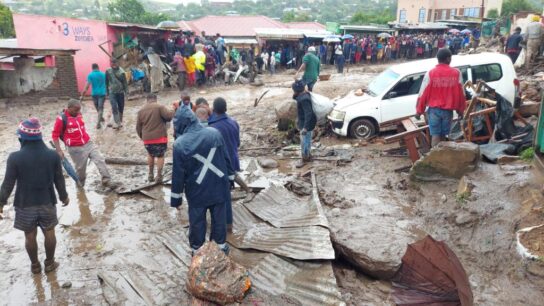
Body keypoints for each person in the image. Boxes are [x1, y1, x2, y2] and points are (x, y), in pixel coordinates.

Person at [0, 118, 69, 274]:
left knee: (30, 236)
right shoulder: (53, 156)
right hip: (47, 202)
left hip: (25, 204)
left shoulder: (14, 158)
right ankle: (50, 263)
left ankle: (35, 266)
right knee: (49, 233)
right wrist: (64, 197)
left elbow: (7, 184)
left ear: (22, 138)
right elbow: (59, 180)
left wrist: (1, 203)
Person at [170, 106, 234, 255]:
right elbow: (226, 159)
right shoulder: (214, 133)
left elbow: (178, 175)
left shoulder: (179, 144)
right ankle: (220, 252)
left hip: (197, 191)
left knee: (197, 223)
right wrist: (230, 179)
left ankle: (198, 253)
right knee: (219, 221)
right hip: (219, 186)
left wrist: (176, 200)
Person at [52, 99, 114, 187]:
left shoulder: (79, 114)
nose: (78, 112)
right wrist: (59, 150)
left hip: (88, 143)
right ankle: (80, 188)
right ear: (68, 108)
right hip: (75, 148)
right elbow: (55, 135)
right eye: (75, 110)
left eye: (79, 110)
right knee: (81, 170)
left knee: (100, 159)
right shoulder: (61, 119)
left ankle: (106, 179)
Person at [416, 48, 466, 147]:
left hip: (434, 111)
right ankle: (442, 158)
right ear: (448, 59)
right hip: (448, 111)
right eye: (450, 58)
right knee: (443, 136)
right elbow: (461, 94)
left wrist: (419, 111)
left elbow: (423, 94)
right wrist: (460, 111)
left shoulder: (430, 73)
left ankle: (434, 158)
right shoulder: (456, 73)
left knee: (435, 135)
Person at [208, 98, 240, 228]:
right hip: (232, 162)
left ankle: (223, 224)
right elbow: (237, 143)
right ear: (226, 109)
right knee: (227, 194)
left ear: (213, 110)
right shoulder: (234, 123)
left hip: (219, 166)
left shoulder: (211, 128)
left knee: (219, 196)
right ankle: (228, 223)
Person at [136, 93, 175, 182]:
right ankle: (159, 176)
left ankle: (150, 174)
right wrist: (173, 110)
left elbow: (138, 127)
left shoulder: (141, 110)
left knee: (150, 154)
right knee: (160, 156)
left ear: (147, 100)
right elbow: (168, 117)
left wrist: (142, 137)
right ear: (155, 99)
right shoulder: (159, 107)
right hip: (160, 137)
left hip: (147, 139)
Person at [292, 80, 316, 168]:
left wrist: (305, 128)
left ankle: (304, 159)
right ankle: (308, 156)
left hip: (306, 124)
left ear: (296, 90)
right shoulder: (305, 95)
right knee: (307, 140)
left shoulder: (304, 99)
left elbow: (308, 113)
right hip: (308, 122)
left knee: (304, 141)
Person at [80, 63, 106, 129]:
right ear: (98, 67)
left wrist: (82, 95)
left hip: (94, 94)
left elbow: (87, 86)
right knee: (100, 108)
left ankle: (99, 121)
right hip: (102, 94)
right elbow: (107, 84)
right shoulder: (103, 74)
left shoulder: (90, 75)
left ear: (92, 68)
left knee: (97, 108)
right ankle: (100, 119)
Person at [105, 59, 128, 128]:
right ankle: (117, 122)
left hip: (120, 92)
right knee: (114, 106)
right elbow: (106, 82)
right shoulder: (108, 71)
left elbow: (125, 83)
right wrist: (107, 91)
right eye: (112, 63)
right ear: (110, 64)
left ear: (118, 63)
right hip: (112, 92)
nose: (113, 64)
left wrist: (126, 92)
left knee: (121, 107)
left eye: (115, 63)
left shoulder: (121, 72)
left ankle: (120, 120)